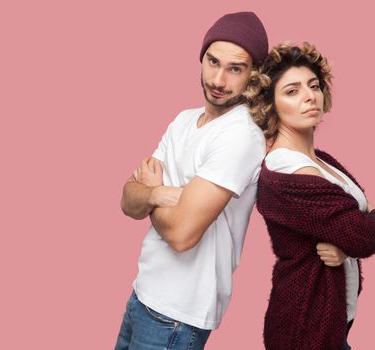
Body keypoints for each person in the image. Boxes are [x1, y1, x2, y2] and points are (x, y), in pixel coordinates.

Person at [114, 12, 268, 350]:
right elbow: (128, 199)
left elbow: (183, 235)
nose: (219, 79)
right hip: (143, 293)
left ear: (253, 76)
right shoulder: (183, 121)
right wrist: (164, 193)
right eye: (213, 62)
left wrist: (150, 195)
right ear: (201, 59)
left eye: (235, 69)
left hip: (178, 316)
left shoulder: (240, 135)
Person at [246, 42, 375, 349]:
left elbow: (350, 230)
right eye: (292, 91)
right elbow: (362, 233)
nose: (309, 96)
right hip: (303, 329)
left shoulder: (321, 161)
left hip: (330, 326)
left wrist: (346, 247)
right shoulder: (286, 169)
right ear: (271, 105)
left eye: (313, 85)